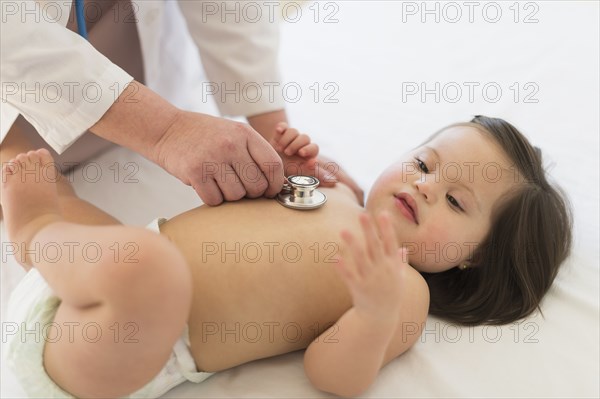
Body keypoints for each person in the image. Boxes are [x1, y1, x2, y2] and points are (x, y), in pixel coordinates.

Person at [1, 116, 572, 397]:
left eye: (454, 200)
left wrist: (372, 315)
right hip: (94, 272)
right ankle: (51, 210)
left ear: (473, 259)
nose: (424, 186)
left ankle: (31, 228)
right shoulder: (339, 192)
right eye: (424, 164)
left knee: (149, 271)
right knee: (67, 187)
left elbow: (334, 376)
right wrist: (280, 170)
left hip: (117, 350)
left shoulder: (402, 289)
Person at [0, 0, 364, 206]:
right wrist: (164, 129)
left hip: (132, 63)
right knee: (38, 207)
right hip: (13, 110)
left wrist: (271, 127)